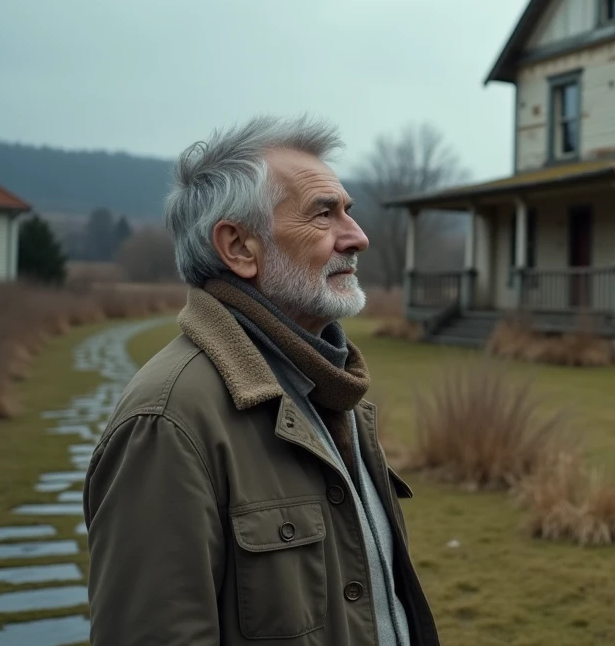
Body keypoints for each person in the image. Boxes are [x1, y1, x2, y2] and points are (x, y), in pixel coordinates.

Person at [83, 115, 439, 645]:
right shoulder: (167, 421)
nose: (358, 238)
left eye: (349, 211)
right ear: (239, 247)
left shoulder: (327, 388)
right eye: (324, 214)